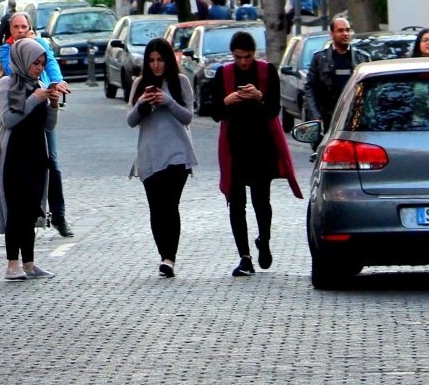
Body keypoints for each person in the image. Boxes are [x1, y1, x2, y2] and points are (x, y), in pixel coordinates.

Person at [207, 31, 301, 276]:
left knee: (262, 201)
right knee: (236, 204)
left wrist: (259, 96)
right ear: (232, 55)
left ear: (254, 53)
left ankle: (264, 241)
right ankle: (244, 256)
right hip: (234, 147)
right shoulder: (223, 74)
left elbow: (273, 110)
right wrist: (228, 100)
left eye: (247, 57)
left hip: (262, 146)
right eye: (238, 57)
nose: (243, 62)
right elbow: (215, 111)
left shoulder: (267, 71)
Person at [125, 37, 196, 278]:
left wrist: (167, 101)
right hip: (149, 155)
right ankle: (163, 254)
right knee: (156, 208)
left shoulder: (181, 82)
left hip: (177, 154)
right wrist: (144, 104)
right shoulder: (140, 84)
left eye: (160, 60)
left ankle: (169, 259)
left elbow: (187, 116)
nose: (156, 65)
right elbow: (131, 120)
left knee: (170, 205)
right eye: (151, 61)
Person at [0, 14, 72, 237]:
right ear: (10, 30)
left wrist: (55, 86)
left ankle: (58, 215)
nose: (20, 30)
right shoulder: (7, 50)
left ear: (30, 28)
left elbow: (51, 64)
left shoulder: (40, 46)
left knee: (52, 162)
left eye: (24, 27)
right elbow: (14, 74)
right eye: (16, 27)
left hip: (43, 104)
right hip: (25, 110)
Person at [0, 38, 60, 282]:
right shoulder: (6, 85)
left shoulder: (38, 85)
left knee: (32, 209)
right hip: (12, 156)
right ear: (22, 61)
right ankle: (12, 263)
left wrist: (52, 103)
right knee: (15, 210)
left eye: (42, 64)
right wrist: (35, 99)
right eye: (35, 63)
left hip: (35, 155)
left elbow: (48, 126)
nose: (39, 68)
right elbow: (8, 118)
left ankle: (29, 263)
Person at [304, 16, 358, 121]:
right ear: (332, 34)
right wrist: (316, 115)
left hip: (354, 115)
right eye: (341, 30)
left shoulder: (360, 58)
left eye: (347, 30)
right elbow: (310, 88)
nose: (345, 34)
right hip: (328, 116)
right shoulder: (319, 59)